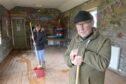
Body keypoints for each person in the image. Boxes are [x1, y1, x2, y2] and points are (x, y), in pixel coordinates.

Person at [64, 11, 111, 84]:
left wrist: (82, 53)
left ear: (92, 23)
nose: (81, 28)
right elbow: (66, 56)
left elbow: (103, 64)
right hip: (73, 81)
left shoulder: (104, 41)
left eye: (84, 23)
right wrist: (72, 62)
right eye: (78, 24)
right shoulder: (74, 39)